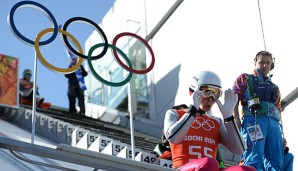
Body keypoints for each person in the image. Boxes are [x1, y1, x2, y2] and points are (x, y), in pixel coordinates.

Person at [163, 70, 256, 171]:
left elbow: (239, 150)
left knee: (248, 170)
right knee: (209, 163)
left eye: (216, 93)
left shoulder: (216, 121)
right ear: (194, 91)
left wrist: (228, 117)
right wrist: (193, 109)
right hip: (184, 168)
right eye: (207, 92)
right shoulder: (174, 113)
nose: (211, 99)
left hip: (210, 167)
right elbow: (173, 138)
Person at [233, 51, 283, 170]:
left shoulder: (275, 87)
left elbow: (278, 108)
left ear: (272, 65)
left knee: (276, 160)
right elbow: (234, 98)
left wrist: (281, 132)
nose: (265, 66)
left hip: (274, 124)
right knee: (254, 157)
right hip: (254, 120)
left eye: (268, 63)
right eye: (262, 62)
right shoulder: (245, 78)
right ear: (255, 63)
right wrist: (235, 118)